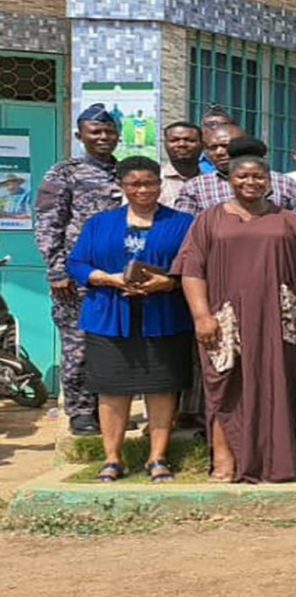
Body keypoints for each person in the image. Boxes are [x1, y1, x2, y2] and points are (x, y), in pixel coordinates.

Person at [173, 150, 296, 483]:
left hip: (277, 316)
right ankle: (225, 458)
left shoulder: (288, 220)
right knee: (225, 384)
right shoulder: (209, 220)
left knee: (277, 385)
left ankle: (276, 462)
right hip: (225, 317)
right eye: (243, 176)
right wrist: (201, 315)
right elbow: (191, 271)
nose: (251, 182)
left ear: (269, 181)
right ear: (230, 180)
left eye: (258, 176)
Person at [66, 157, 194, 482]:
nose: (143, 190)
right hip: (108, 316)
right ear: (121, 187)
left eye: (149, 183)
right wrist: (106, 279)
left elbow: (193, 265)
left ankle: (158, 457)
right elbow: (77, 263)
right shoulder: (100, 223)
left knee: (162, 387)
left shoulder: (182, 223)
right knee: (112, 389)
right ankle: (113, 458)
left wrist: (169, 282)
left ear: (160, 185)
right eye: (134, 184)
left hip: (163, 316)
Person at [34, 103, 123, 435]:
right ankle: (81, 411)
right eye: (95, 132)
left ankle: (108, 407)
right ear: (80, 136)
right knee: (79, 344)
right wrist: (56, 270)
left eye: (109, 131)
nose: (103, 137)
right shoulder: (64, 172)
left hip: (118, 276)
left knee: (114, 343)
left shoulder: (126, 172)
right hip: (76, 277)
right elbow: (47, 223)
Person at [175, 127, 296, 214]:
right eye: (213, 148)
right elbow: (186, 232)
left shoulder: (285, 184)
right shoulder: (195, 187)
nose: (219, 152)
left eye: (226, 146)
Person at [159, 122, 203, 208]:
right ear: (165, 145)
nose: (182, 144)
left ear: (203, 145)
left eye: (190, 140)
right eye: (174, 140)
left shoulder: (212, 183)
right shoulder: (153, 181)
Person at [196, 106, 235, 174]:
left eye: (224, 125)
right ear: (202, 129)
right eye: (211, 125)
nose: (217, 128)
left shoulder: (239, 157)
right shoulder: (193, 158)